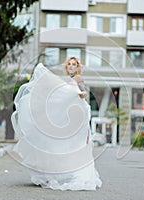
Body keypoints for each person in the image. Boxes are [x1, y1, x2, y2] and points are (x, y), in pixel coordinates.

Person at [11, 57, 102, 191]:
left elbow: (83, 94)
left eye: (74, 65)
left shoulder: (78, 79)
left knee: (71, 145)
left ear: (77, 67)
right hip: (64, 116)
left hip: (74, 117)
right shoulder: (64, 80)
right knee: (56, 144)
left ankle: (73, 173)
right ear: (66, 67)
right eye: (69, 64)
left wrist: (80, 94)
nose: (71, 66)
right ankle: (54, 173)